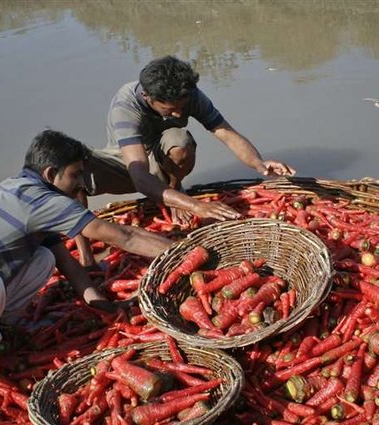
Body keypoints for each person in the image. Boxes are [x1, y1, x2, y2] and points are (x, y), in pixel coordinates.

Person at [0, 130, 172, 417]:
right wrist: (181, 251)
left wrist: (99, 305)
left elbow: (66, 263)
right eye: (75, 174)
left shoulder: (20, 188)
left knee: (43, 258)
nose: (82, 183)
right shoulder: (41, 202)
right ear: (50, 173)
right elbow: (123, 236)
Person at [75, 56, 296, 267]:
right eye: (170, 109)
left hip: (162, 156)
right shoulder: (126, 106)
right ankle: (86, 257)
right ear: (148, 98)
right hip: (127, 162)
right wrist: (195, 205)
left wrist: (259, 164)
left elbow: (225, 132)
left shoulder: (189, 94)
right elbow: (140, 177)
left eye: (182, 106)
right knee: (72, 171)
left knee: (180, 142)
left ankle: (172, 190)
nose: (179, 113)